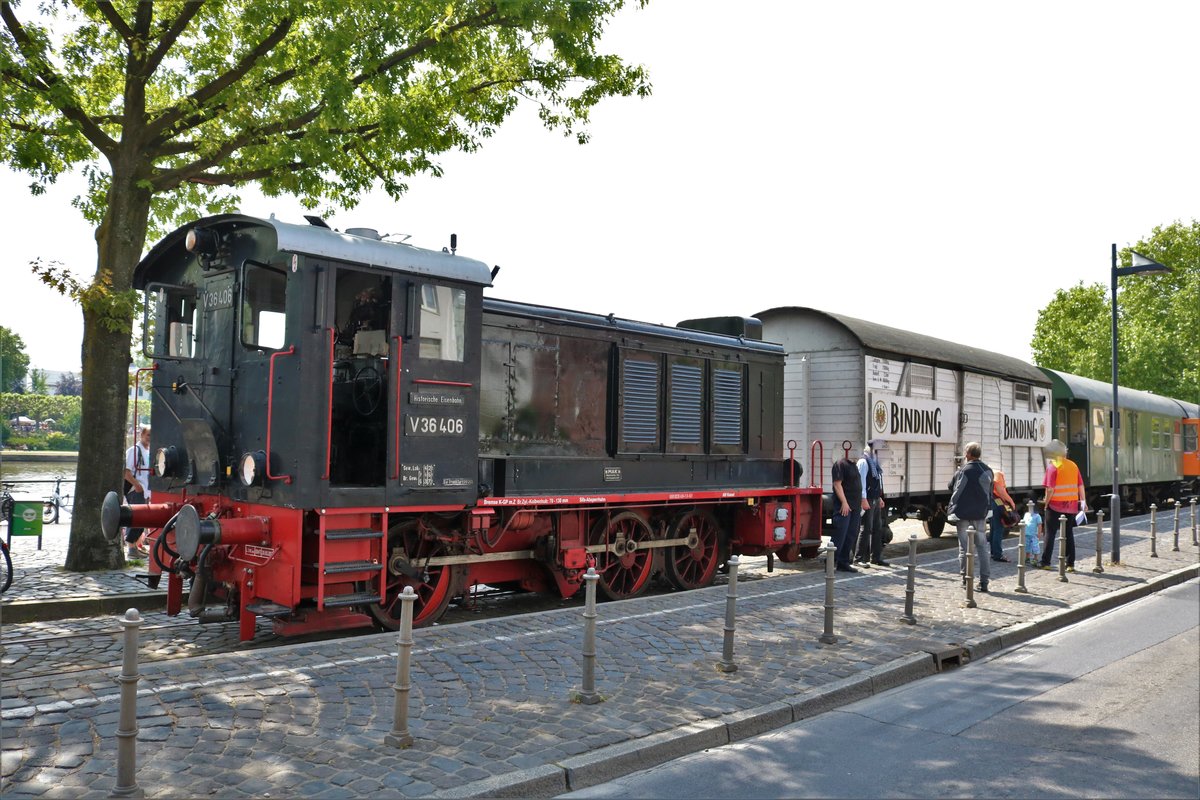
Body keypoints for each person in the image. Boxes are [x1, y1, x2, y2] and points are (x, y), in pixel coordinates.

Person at [948, 441, 994, 592]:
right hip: (980, 514)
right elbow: (990, 492)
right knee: (982, 548)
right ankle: (984, 582)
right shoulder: (987, 470)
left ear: (968, 454)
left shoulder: (963, 471)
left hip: (963, 514)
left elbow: (954, 489)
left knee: (964, 549)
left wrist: (950, 509)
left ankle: (965, 580)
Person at [1040, 439, 1086, 572]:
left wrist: (1046, 503)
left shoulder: (1053, 466)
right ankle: (1070, 564)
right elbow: (1080, 485)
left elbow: (1050, 489)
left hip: (1054, 506)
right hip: (1071, 505)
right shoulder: (1073, 465)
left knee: (1050, 533)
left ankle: (1046, 562)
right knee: (1068, 534)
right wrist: (1083, 502)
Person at [855, 438, 891, 567]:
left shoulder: (874, 463)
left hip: (874, 498)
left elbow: (876, 482)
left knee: (877, 528)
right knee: (866, 529)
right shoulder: (864, 462)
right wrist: (863, 499)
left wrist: (879, 497)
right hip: (868, 499)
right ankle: (859, 558)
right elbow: (861, 483)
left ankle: (876, 557)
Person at [829, 448, 863, 572]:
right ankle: (830, 562)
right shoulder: (840, 464)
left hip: (855, 506)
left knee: (851, 534)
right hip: (844, 506)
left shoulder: (854, 466)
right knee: (840, 534)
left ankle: (843, 562)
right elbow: (837, 484)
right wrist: (844, 502)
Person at [123, 425, 152, 559]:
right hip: (136, 490)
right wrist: (137, 484)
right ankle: (131, 547)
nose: (150, 438)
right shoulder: (134, 451)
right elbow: (126, 472)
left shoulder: (147, 451)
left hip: (145, 490)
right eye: (148, 435)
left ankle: (135, 546)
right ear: (141, 435)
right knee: (136, 518)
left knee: (142, 518)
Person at [989, 469, 1016, 562]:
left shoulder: (993, 473)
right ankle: (997, 554)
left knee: (994, 528)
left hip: (993, 503)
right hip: (998, 503)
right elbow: (1000, 490)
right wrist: (1011, 501)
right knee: (998, 529)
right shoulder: (998, 474)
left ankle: (994, 552)